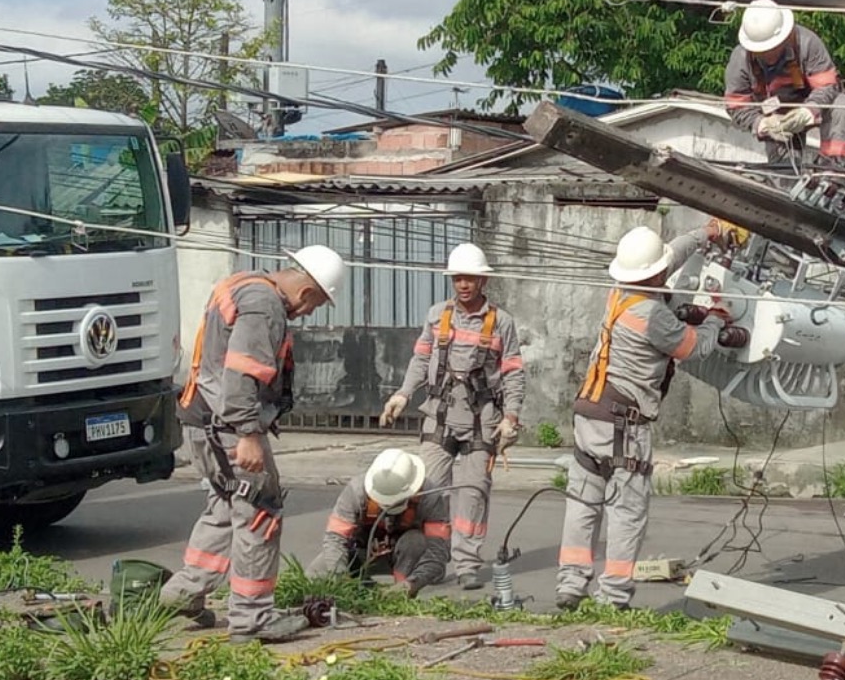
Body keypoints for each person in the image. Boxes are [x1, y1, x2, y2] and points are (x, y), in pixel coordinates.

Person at [555, 220, 746, 611]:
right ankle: (614, 597)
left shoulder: (619, 294)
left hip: (590, 411)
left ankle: (570, 587)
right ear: (656, 273)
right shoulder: (653, 316)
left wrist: (704, 233)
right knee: (627, 510)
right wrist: (715, 317)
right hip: (624, 422)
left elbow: (668, 257)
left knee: (583, 502)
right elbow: (694, 348)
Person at [162, 245, 346, 643]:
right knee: (261, 512)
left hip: (202, 424)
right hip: (229, 427)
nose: (310, 311)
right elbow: (243, 370)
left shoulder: (241, 285)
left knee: (224, 509)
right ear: (307, 289)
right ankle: (252, 617)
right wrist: (248, 433)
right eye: (316, 302)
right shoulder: (266, 305)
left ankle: (182, 596)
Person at [379, 243, 525, 591]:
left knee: (473, 492)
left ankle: (468, 564)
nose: (463, 285)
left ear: (482, 281)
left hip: (481, 419)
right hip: (439, 416)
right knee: (429, 492)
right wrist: (402, 393)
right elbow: (420, 360)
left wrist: (511, 416)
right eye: (458, 278)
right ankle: (433, 560)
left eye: (470, 278)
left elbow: (514, 372)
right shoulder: (436, 316)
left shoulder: (501, 322)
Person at [724, 0, 845, 171]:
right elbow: (736, 106)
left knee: (841, 105)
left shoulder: (807, 43)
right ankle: (787, 181)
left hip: (813, 105)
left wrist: (807, 111)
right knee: (785, 176)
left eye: (772, 48)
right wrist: (762, 124)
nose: (767, 54)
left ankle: (833, 169)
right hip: (775, 117)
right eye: (761, 50)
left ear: (784, 37)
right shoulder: (741, 59)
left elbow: (827, 86)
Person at [306, 449, 445, 596]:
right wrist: (339, 580)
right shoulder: (357, 490)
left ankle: (400, 596)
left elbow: (437, 553)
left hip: (405, 555)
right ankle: (362, 588)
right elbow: (335, 538)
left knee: (415, 541)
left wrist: (411, 584)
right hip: (361, 553)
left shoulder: (430, 497)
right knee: (314, 575)